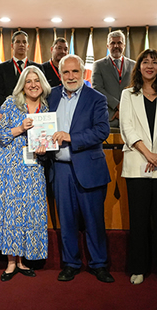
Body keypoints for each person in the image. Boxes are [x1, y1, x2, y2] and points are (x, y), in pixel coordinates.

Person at [48, 54, 114, 283]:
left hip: (89, 168)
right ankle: (71, 263)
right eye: (66, 72)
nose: (71, 76)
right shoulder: (52, 95)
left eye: (75, 71)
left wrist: (70, 137)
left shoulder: (96, 98)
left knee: (94, 219)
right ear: (60, 74)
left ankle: (99, 264)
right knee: (66, 220)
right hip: (61, 168)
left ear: (82, 72)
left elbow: (102, 131)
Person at [119, 49, 157, 286]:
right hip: (138, 163)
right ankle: (138, 268)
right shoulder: (128, 95)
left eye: (154, 62)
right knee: (139, 220)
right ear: (139, 67)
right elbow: (127, 127)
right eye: (145, 62)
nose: (149, 66)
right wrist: (148, 154)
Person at [0, 66, 51, 281]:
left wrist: (45, 148)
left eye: (37, 81)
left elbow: (48, 138)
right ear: (22, 84)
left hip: (33, 168)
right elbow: (0, 134)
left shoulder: (46, 107)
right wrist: (20, 128)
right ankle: (11, 262)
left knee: (29, 212)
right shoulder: (11, 104)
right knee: (11, 212)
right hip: (8, 168)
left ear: (43, 84)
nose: (33, 85)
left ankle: (23, 260)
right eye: (28, 81)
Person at [92, 30, 136, 128]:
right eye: (113, 43)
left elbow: (137, 88)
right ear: (108, 46)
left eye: (119, 43)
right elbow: (97, 88)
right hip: (108, 117)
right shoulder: (98, 65)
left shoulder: (134, 65)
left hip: (130, 117)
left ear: (124, 45)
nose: (116, 46)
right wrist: (117, 105)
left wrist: (123, 108)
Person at [0, 30, 42, 107]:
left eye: (24, 42)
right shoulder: (2, 68)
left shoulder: (38, 67)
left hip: (32, 110)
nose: (21, 44)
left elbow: (42, 91)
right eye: (18, 42)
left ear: (28, 46)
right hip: (9, 110)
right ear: (12, 45)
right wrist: (10, 108)